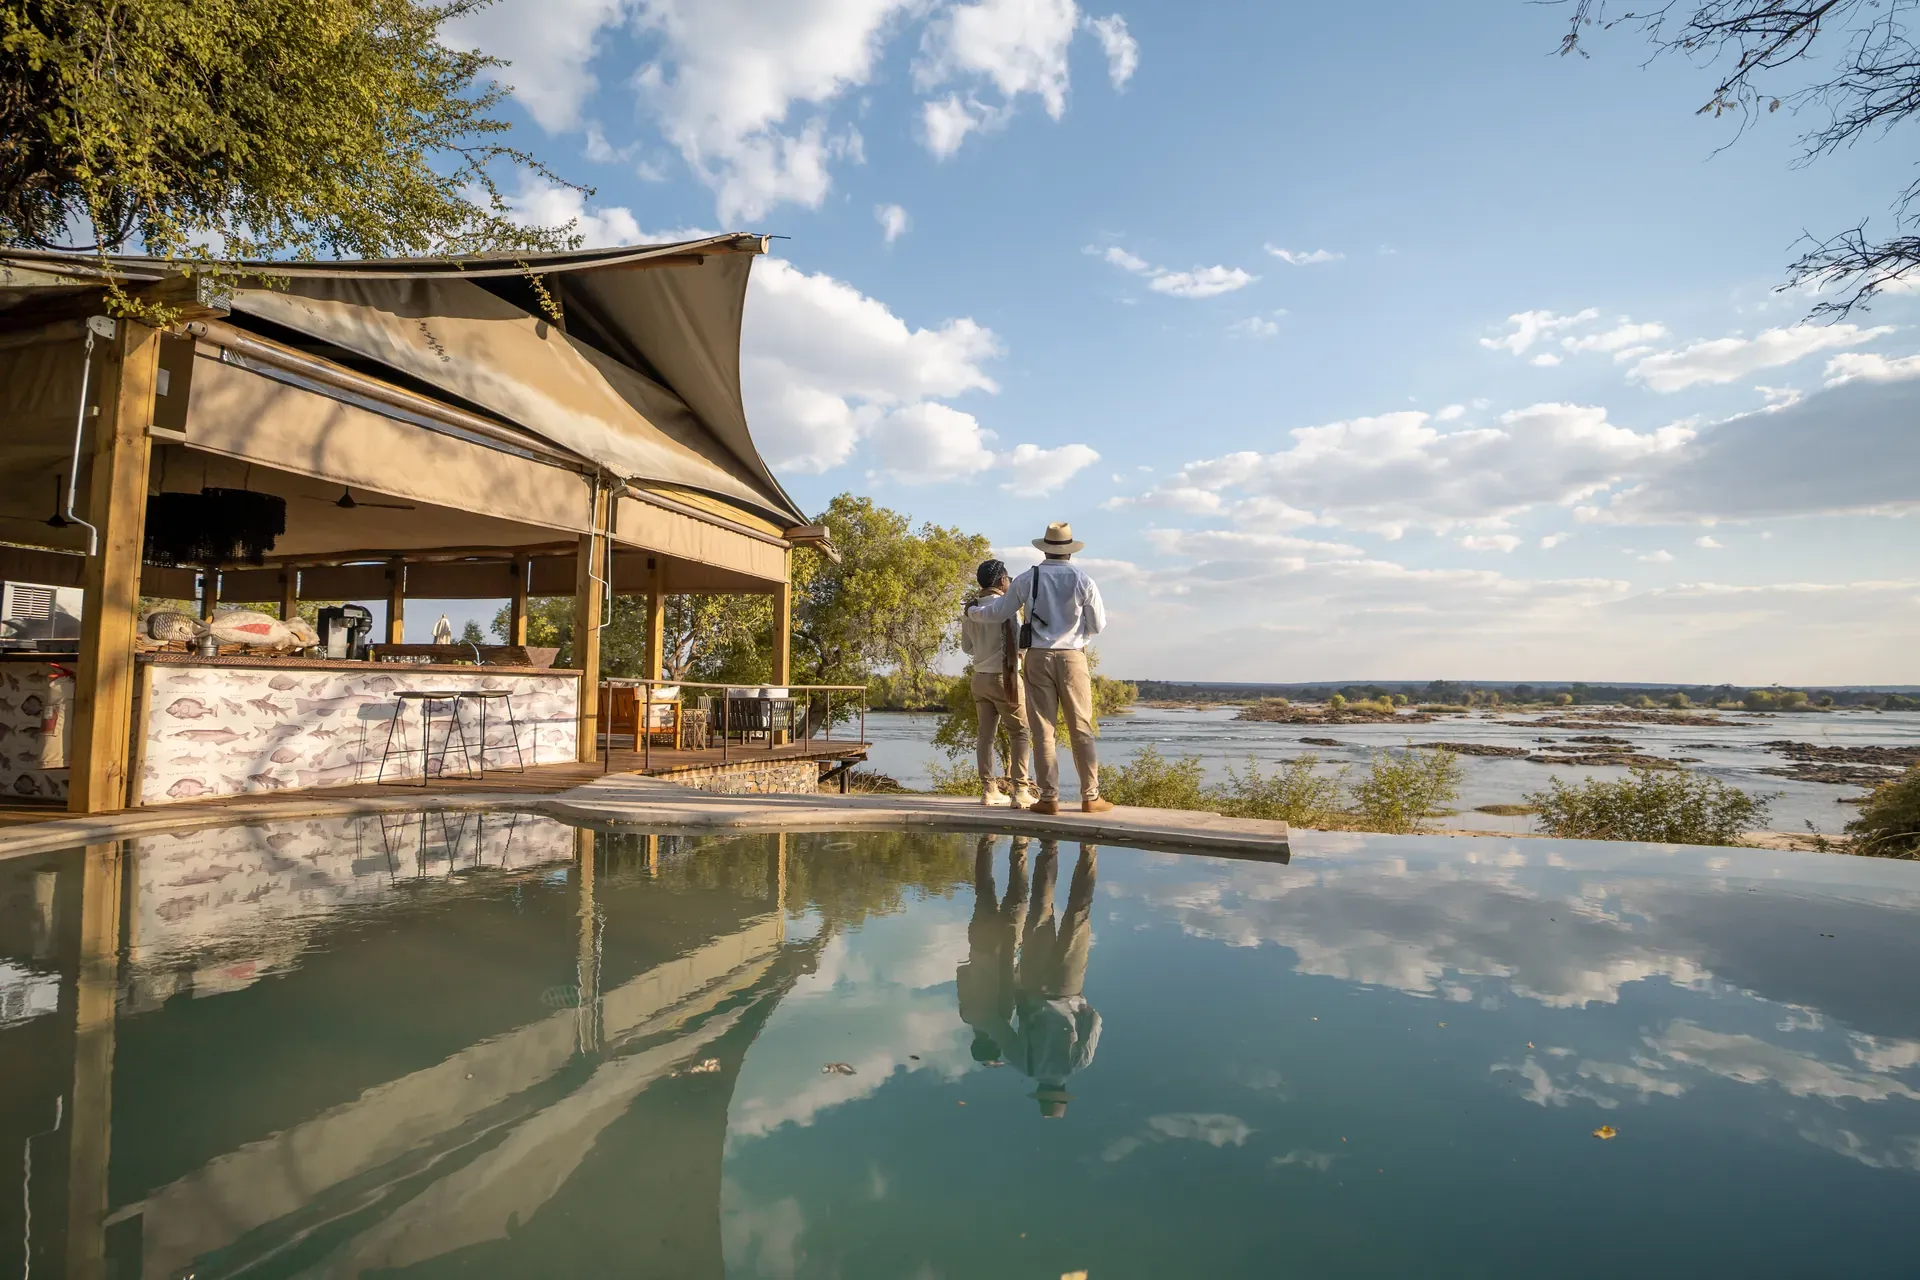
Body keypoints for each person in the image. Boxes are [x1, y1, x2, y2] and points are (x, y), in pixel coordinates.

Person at [964, 521, 1111, 815]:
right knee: (1081, 726)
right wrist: (1075, 634)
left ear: (1044, 548)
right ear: (1069, 551)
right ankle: (1090, 796)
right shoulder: (1083, 580)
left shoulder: (1027, 578)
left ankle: (1048, 797)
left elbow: (998, 612)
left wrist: (972, 611)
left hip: (1037, 657)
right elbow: (1098, 625)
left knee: (1044, 730)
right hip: (1072, 657)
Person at [1008, 841, 1101, 1118]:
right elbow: (1002, 1025)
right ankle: (1049, 848)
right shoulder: (1024, 1065)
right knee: (1040, 910)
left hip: (1068, 988)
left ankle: (1088, 851)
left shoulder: (1078, 1064)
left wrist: (1079, 1005)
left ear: (1062, 1090)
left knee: (1078, 914)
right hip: (1035, 985)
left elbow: (1095, 1021)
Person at [959, 559, 1035, 807]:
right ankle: (1020, 790)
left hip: (979, 678)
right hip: (1005, 677)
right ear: (1002, 581)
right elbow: (1019, 642)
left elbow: (966, 647)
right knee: (1020, 732)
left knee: (985, 736)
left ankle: (988, 789)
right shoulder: (1007, 608)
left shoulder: (970, 611)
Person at [955, 835, 1030, 1066]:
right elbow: (962, 975)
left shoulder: (1002, 1020)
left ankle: (1020, 844)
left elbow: (1008, 982)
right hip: (978, 943)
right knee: (984, 890)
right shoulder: (967, 1015)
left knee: (1018, 895)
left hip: (1003, 947)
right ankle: (986, 841)